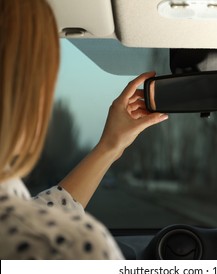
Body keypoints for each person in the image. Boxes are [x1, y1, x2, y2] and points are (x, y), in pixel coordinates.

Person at [0, 0, 168, 259]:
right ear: (23, 92)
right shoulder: (66, 247)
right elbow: (37, 221)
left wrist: (110, 146)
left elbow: (42, 211)